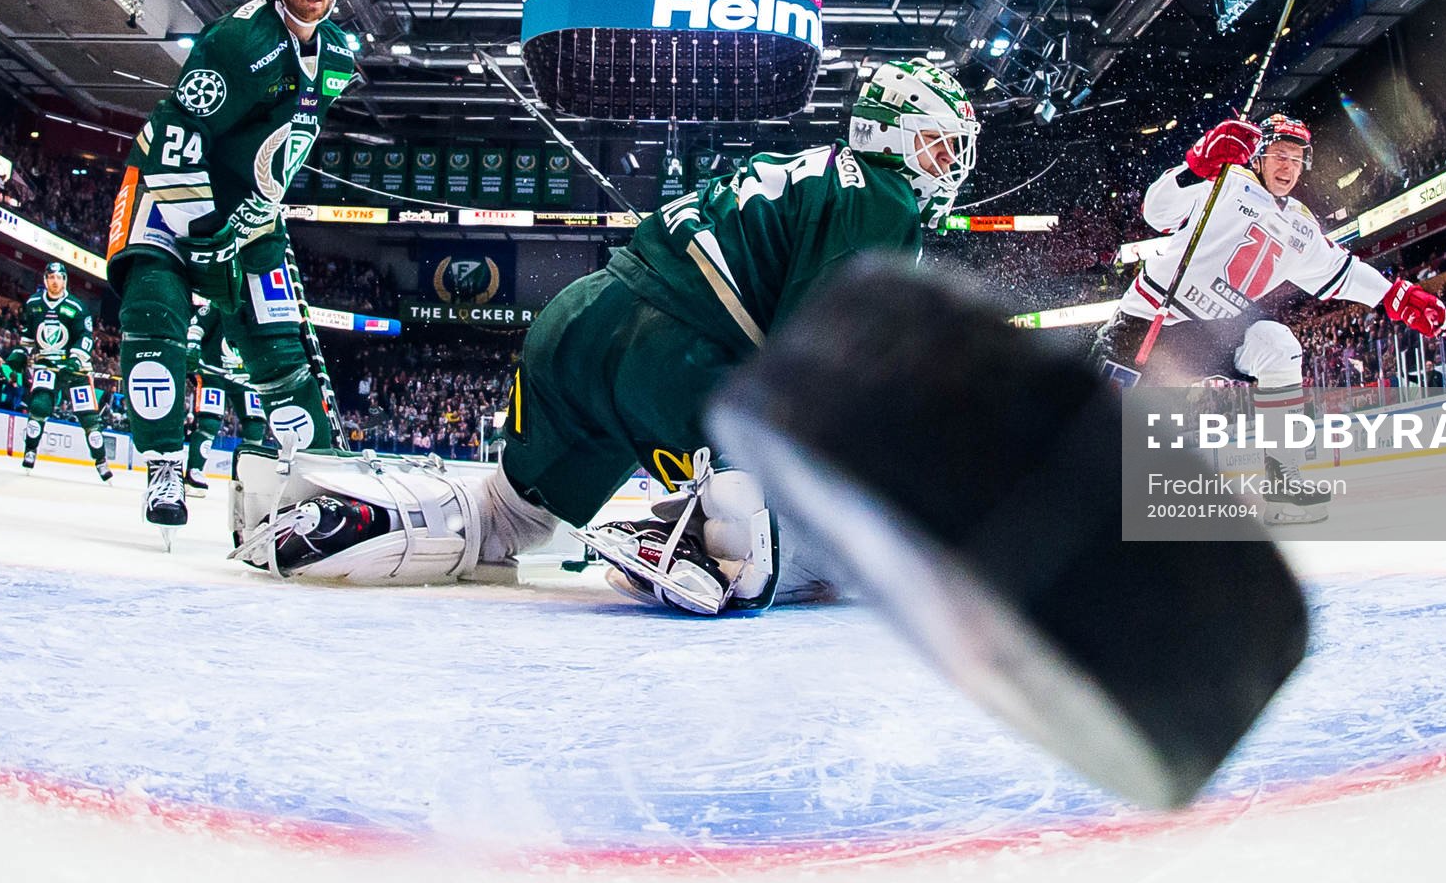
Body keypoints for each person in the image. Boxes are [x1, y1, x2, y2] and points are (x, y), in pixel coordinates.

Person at [232, 58, 980, 615]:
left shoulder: (811, 170)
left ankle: (352, 519)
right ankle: (703, 541)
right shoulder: (883, 197)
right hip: (675, 353)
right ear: (892, 134)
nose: (948, 166)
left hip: (578, 318)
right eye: (939, 146)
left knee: (506, 515)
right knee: (807, 538)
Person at [105, 0, 359, 535]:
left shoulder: (337, 55)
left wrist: (252, 217)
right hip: (166, 197)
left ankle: (320, 478)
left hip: (250, 216)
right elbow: (177, 133)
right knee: (153, 314)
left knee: (280, 349)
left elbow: (286, 139)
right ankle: (165, 465)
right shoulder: (238, 41)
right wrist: (204, 229)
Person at [1090, 114, 1446, 523]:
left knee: (1279, 348)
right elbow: (1156, 212)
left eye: (1296, 159)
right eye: (1280, 154)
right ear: (1258, 155)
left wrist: (1395, 296)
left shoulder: (1301, 226)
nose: (1287, 167)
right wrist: (1198, 163)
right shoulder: (1226, 178)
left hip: (1215, 331)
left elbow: (1342, 271)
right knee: (1094, 428)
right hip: (1149, 320)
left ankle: (1282, 484)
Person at [8, 261, 110, 480]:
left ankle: (101, 460)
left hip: (76, 369)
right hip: (46, 364)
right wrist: (21, 353)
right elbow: (28, 335)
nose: (55, 282)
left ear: (65, 280)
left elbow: (85, 337)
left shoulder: (77, 307)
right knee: (39, 405)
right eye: (51, 277)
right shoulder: (34, 304)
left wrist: (75, 361)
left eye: (59, 278)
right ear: (45, 280)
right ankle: (30, 450)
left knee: (89, 418)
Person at [182, 298, 271, 497]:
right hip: (213, 372)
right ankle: (194, 472)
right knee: (210, 422)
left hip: (246, 377)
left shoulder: (259, 308)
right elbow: (197, 325)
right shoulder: (220, 302)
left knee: (256, 426)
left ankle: (245, 478)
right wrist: (193, 346)